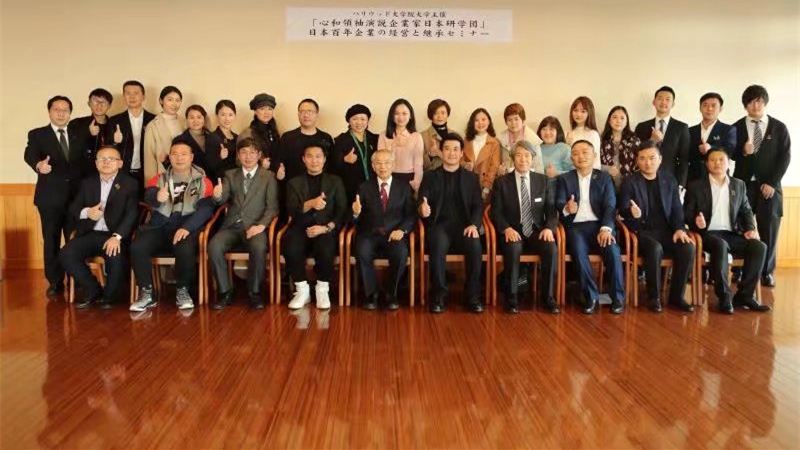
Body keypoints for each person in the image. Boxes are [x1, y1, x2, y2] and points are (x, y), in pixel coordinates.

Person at [129, 142, 215, 312]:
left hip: (187, 226)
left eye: (184, 154)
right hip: (160, 225)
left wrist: (187, 227)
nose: (179, 158)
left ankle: (183, 290)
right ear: (170, 157)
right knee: (138, 246)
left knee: (184, 247)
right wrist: (157, 197)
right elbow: (149, 196)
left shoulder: (204, 181)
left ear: (191, 157)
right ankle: (146, 293)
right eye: (174, 154)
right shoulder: (159, 178)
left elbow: (206, 209)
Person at [684, 147, 770, 314]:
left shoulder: (738, 184)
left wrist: (750, 229)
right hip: (707, 234)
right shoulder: (696, 186)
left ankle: (745, 295)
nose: (717, 163)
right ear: (706, 164)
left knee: (759, 246)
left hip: (732, 234)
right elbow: (687, 214)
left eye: (721, 159)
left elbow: (746, 210)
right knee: (720, 245)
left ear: (728, 163)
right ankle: (724, 297)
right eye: (712, 160)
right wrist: (696, 222)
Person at [619, 142, 695, 313]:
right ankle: (654, 297)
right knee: (655, 248)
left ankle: (677, 296)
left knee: (688, 247)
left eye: (652, 158)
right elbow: (622, 208)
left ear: (660, 159)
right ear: (637, 161)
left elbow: (676, 209)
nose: (648, 163)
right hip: (640, 232)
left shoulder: (669, 180)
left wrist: (679, 229)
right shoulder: (630, 182)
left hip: (666, 231)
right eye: (643, 159)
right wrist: (631, 212)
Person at [59, 146, 138, 309]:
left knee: (115, 256)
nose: (106, 162)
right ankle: (92, 289)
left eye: (111, 159)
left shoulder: (130, 184)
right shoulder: (87, 183)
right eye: (102, 159)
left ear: (120, 163)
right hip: (90, 232)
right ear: (96, 163)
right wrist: (87, 212)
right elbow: (73, 208)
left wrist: (117, 237)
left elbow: (131, 214)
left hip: (114, 234)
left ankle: (109, 297)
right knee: (66, 253)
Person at [731, 85, 791, 289]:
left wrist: (772, 183)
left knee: (769, 230)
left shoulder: (779, 127)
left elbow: (785, 157)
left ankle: (767, 272)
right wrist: (743, 151)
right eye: (750, 102)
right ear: (745, 106)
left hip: (770, 187)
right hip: (743, 186)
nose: (755, 105)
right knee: (740, 228)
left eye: (759, 101)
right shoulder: (737, 127)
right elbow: (728, 153)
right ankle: (739, 270)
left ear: (765, 103)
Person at [23, 95, 85, 296]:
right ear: (49, 112)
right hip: (50, 198)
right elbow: (30, 154)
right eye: (56, 109)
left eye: (65, 110)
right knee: (51, 240)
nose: (61, 113)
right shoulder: (38, 134)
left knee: (75, 240)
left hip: (76, 199)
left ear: (70, 113)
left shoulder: (78, 134)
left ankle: (77, 279)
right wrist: (38, 165)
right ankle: (55, 281)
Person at [208, 138, 279, 310]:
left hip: (256, 226)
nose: (248, 156)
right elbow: (221, 199)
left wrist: (261, 226)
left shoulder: (268, 177)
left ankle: (255, 292)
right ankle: (225, 292)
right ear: (238, 156)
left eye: (252, 152)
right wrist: (217, 195)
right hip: (232, 226)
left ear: (259, 155)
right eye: (244, 152)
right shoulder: (230, 175)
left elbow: (272, 208)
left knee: (259, 247)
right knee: (214, 245)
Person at [556, 140, 625, 314]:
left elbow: (610, 206)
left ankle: (617, 298)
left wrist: (606, 228)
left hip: (599, 226)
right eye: (576, 153)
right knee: (578, 251)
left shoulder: (604, 178)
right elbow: (559, 202)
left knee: (612, 250)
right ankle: (591, 297)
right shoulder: (565, 179)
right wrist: (566, 208)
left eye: (585, 152)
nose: (580, 156)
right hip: (575, 227)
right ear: (571, 158)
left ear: (594, 156)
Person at [418, 133, 484, 314]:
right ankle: (439, 296)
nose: (451, 153)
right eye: (447, 149)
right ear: (441, 152)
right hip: (440, 225)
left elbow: (478, 205)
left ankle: (473, 296)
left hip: (465, 226)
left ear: (462, 153)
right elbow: (421, 202)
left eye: (456, 149)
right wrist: (422, 209)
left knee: (475, 244)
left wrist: (474, 224)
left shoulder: (471, 178)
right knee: (437, 244)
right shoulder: (430, 176)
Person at [491, 140, 559, 314]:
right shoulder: (501, 182)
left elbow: (551, 210)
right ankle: (512, 298)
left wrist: (549, 228)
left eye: (527, 156)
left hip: (536, 230)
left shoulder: (543, 181)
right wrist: (506, 228)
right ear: (512, 158)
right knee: (513, 248)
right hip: (512, 230)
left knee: (550, 247)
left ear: (533, 158)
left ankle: (548, 297)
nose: (523, 160)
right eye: (519, 155)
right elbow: (496, 212)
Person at [284, 145, 347, 310]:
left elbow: (342, 210)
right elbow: (291, 210)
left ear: (324, 159)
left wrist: (326, 227)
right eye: (310, 156)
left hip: (325, 228)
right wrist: (310, 203)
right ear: (303, 159)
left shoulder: (335, 181)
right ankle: (302, 290)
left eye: (318, 156)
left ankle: (322, 290)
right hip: (300, 227)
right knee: (291, 245)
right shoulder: (294, 183)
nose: (314, 160)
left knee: (326, 247)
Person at [351, 149, 415, 310]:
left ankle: (390, 293)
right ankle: (371, 295)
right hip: (369, 234)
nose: (383, 167)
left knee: (401, 254)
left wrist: (403, 230)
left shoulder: (404, 187)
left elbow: (411, 214)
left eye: (387, 163)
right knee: (362, 251)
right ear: (373, 166)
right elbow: (354, 218)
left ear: (393, 165)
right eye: (378, 163)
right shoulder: (364, 187)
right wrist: (356, 212)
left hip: (394, 234)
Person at [634, 86, 691, 188]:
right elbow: (636, 153)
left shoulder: (681, 128)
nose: (663, 102)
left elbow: (684, 159)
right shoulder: (641, 127)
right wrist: (652, 141)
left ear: (673, 104)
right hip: (644, 179)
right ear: (654, 102)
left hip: (670, 180)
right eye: (660, 98)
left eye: (667, 99)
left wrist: (681, 185)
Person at [106, 80, 155, 190]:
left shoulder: (154, 120)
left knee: (146, 200)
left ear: (143, 97)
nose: (132, 97)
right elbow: (107, 149)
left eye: (136, 93)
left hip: (147, 172)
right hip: (122, 172)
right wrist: (115, 142)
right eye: (128, 93)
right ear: (124, 97)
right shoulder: (114, 120)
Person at [274, 98, 334, 183]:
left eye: (310, 111)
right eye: (302, 112)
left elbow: (332, 165)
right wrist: (278, 171)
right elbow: (279, 162)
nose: (306, 115)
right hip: (293, 186)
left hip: (321, 186)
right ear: (298, 114)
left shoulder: (326, 138)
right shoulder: (287, 137)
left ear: (317, 114)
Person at [331, 104, 378, 204]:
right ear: (349, 121)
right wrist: (344, 159)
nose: (359, 122)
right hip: (350, 187)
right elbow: (332, 166)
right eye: (355, 119)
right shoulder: (340, 140)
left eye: (363, 119)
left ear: (368, 120)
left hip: (373, 186)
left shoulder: (375, 139)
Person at [687, 92, 736, 184]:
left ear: (720, 109)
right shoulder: (690, 131)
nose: (709, 109)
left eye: (713, 106)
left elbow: (730, 150)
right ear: (700, 108)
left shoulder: (728, 129)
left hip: (718, 177)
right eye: (705, 105)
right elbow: (685, 154)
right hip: (693, 178)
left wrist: (711, 148)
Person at [378, 98, 425, 192]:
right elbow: (380, 160)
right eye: (396, 113)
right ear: (392, 116)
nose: (400, 117)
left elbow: (418, 164)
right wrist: (393, 144)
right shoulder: (383, 135)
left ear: (410, 116)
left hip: (408, 179)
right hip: (388, 177)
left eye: (404, 113)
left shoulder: (416, 136)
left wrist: (417, 182)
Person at [143, 86, 185, 181]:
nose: (174, 104)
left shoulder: (185, 122)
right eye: (170, 100)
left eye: (177, 100)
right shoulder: (153, 125)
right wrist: (151, 184)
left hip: (185, 175)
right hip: (163, 175)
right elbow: (149, 158)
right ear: (161, 101)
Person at [462, 108, 502, 203]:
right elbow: (459, 160)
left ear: (489, 121)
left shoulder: (494, 143)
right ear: (472, 123)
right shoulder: (466, 141)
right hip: (466, 185)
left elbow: (494, 167)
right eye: (476, 120)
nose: (480, 123)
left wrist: (486, 188)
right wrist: (465, 165)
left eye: (483, 119)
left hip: (483, 187)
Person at [70, 88, 113, 174]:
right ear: (89, 103)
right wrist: (87, 133)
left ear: (109, 106)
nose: (99, 105)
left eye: (103, 102)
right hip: (83, 172)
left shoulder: (114, 125)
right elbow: (69, 147)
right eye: (95, 101)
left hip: (108, 171)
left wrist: (116, 142)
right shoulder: (77, 123)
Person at [599, 106, 641, 189]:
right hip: (606, 185)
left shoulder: (634, 141)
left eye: (622, 118)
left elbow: (639, 163)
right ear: (609, 120)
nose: (618, 121)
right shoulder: (602, 140)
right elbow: (595, 164)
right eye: (615, 117)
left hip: (630, 185)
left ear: (626, 122)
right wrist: (607, 169)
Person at [497, 103, 543, 175]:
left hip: (528, 179)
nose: (513, 123)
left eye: (516, 119)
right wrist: (499, 171)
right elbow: (497, 164)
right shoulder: (500, 140)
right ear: (506, 122)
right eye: (509, 120)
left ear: (523, 120)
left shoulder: (533, 140)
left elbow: (539, 169)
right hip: (507, 179)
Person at [237, 93, 279, 168]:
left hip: (274, 172)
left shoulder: (274, 131)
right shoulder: (247, 133)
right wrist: (260, 163)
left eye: (270, 109)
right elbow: (239, 160)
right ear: (255, 111)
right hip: (257, 173)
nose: (266, 112)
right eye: (262, 109)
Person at [173, 104, 214, 179]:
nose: (195, 121)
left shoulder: (213, 137)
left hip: (214, 180)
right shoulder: (179, 140)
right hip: (191, 181)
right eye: (191, 118)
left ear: (204, 119)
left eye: (199, 117)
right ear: (187, 120)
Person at [206, 100, 239, 180]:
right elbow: (209, 166)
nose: (227, 119)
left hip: (236, 179)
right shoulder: (212, 137)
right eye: (223, 115)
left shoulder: (237, 137)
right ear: (217, 116)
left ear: (235, 116)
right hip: (221, 181)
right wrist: (220, 157)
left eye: (230, 115)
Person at [565, 96, 602, 169]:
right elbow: (565, 161)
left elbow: (596, 163)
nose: (578, 114)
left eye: (583, 111)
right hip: (570, 173)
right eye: (575, 110)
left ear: (589, 113)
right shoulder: (567, 133)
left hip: (589, 174)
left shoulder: (593, 134)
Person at [420, 98, 454, 171]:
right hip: (431, 176)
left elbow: (459, 160)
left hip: (452, 175)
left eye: (443, 113)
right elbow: (418, 164)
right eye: (435, 113)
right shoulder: (422, 136)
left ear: (447, 114)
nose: (440, 116)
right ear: (431, 115)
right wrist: (430, 155)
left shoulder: (455, 135)